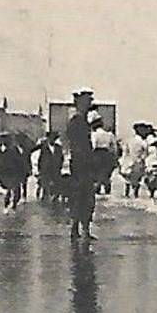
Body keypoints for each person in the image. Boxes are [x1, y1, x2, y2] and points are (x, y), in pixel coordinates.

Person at [64, 90, 98, 241]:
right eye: (87, 101)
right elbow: (79, 146)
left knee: (83, 197)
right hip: (81, 165)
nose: (90, 104)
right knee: (82, 197)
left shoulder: (80, 121)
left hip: (81, 164)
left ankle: (81, 229)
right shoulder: (78, 121)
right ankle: (78, 229)